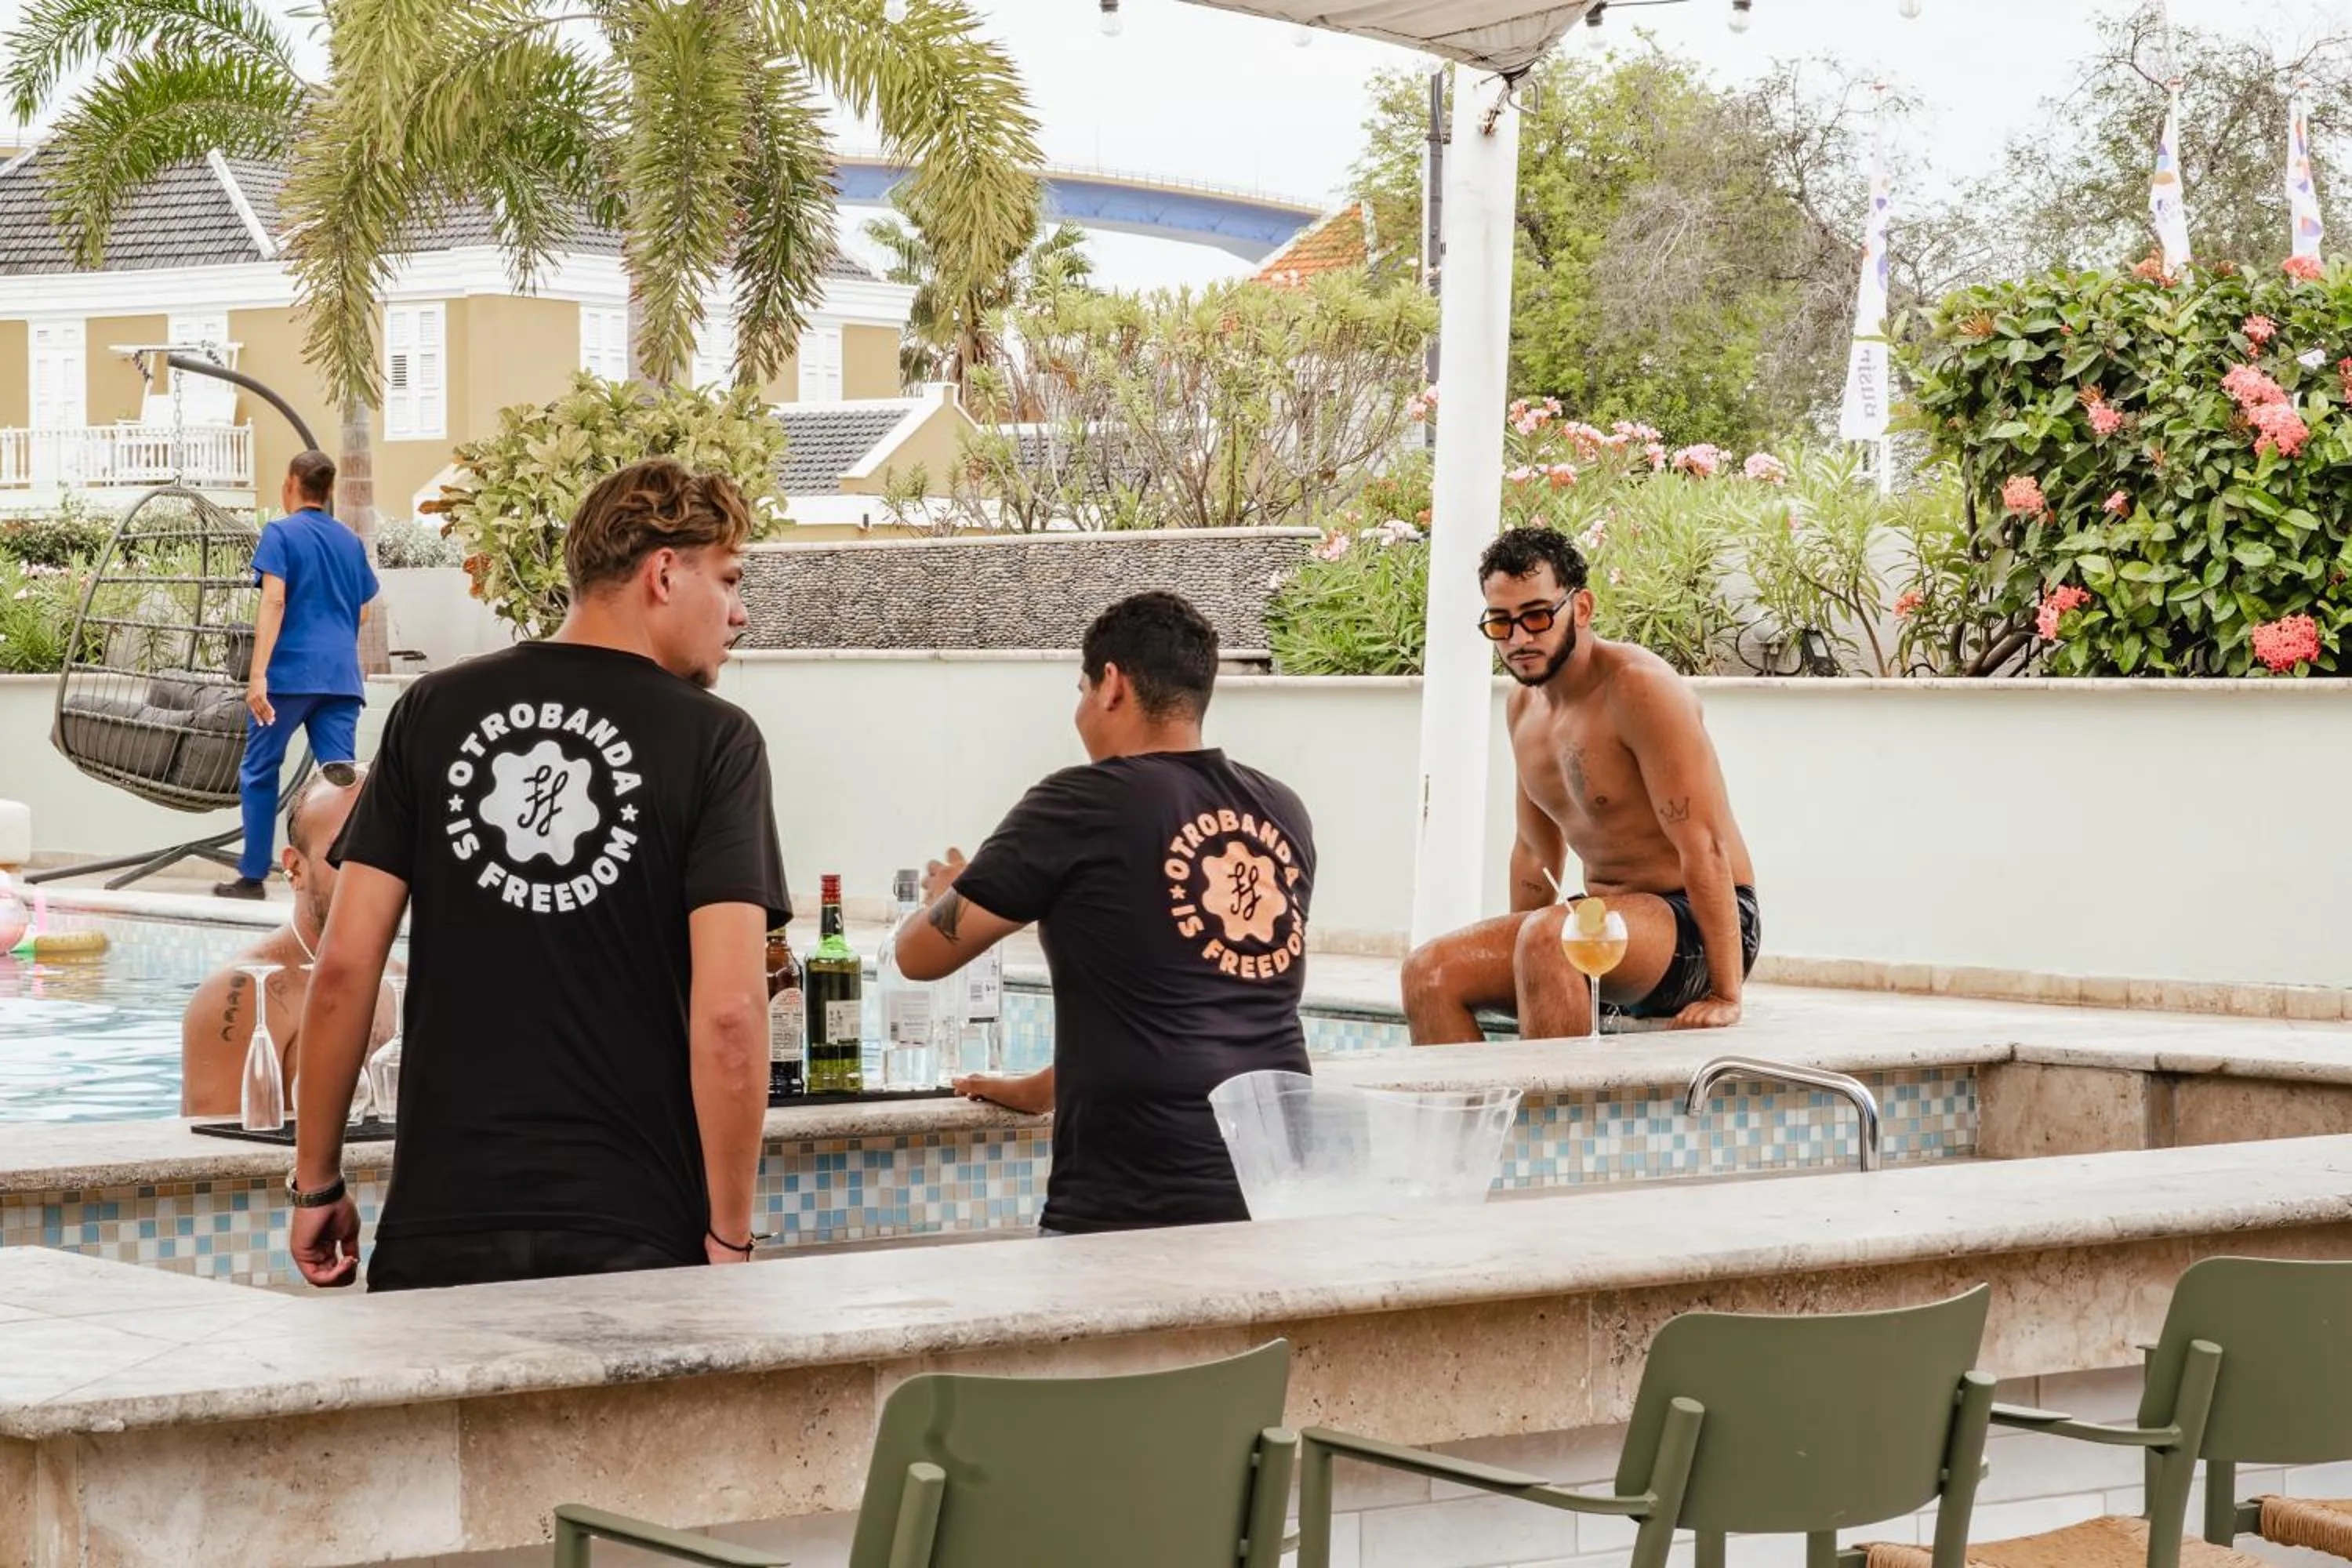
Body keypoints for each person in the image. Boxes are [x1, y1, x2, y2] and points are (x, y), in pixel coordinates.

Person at [283, 458, 790, 1292]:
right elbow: (733, 1013)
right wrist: (730, 1235)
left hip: (438, 1229)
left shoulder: (429, 712)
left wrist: (317, 1180)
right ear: (665, 571)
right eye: (729, 579)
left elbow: (342, 968)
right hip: (635, 1230)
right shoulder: (717, 743)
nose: (739, 613)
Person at [891, 590, 1316, 1236]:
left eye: (1082, 689)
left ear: (1111, 684)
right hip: (1279, 1189)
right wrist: (1039, 1089)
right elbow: (1195, 1003)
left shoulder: (1080, 803)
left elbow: (918, 956)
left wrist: (950, 891)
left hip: (1135, 1198)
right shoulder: (1280, 810)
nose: (1081, 710)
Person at [1401, 526, 1760, 1043]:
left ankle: (1556, 1123)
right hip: (1606, 926)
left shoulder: (1639, 689)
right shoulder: (1523, 707)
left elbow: (1703, 843)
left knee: (1555, 937)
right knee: (1428, 971)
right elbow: (1532, 854)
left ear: (1582, 608)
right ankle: (1477, 1125)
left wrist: (1726, 994)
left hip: (1699, 924)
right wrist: (1518, 961)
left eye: (1538, 616)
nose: (1520, 638)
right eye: (1502, 623)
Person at [180, 767, 400, 1116]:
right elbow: (216, 1159)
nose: (370, 870)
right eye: (345, 853)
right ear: (295, 869)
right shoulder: (242, 995)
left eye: (387, 849)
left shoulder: (406, 982)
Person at [216, 450, 377, 901]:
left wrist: (257, 676)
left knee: (260, 769)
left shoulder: (280, 534)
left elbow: (274, 602)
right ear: (327, 491)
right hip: (341, 679)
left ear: (291, 484)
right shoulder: (349, 541)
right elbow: (362, 612)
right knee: (338, 780)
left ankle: (252, 876)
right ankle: (339, 881)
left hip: (287, 678)